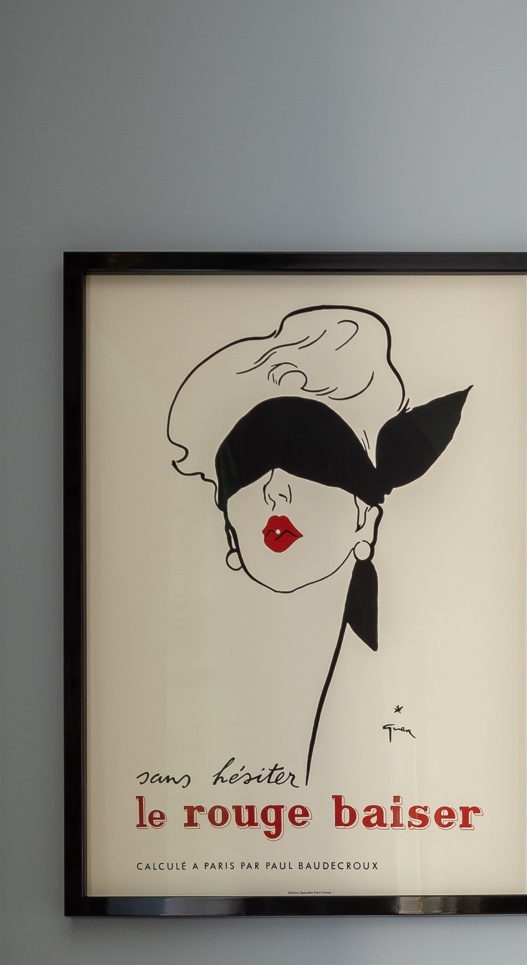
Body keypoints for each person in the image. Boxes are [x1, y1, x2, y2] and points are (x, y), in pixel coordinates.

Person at [167, 306, 467, 781]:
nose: (274, 490)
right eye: (247, 473)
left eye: (309, 466)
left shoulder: (404, 703)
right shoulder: (184, 691)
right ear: (229, 528)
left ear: (365, 521)